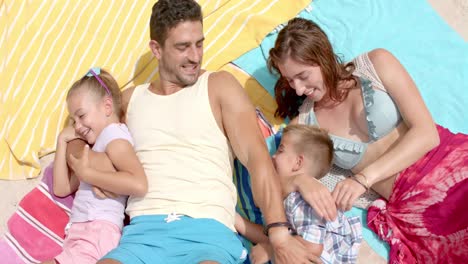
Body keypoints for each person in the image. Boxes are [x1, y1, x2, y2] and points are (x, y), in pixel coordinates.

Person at [66, 1, 332, 263]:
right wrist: (92, 172)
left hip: (209, 234)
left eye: (199, 43)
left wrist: (278, 234)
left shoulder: (218, 86)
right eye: (183, 47)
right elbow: (76, 134)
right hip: (144, 235)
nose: (195, 56)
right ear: (156, 49)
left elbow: (257, 159)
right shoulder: (129, 100)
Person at [268, 17, 468, 263]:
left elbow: (427, 134)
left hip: (451, 163)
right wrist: (300, 181)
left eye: (303, 76)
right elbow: (272, 183)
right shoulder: (305, 124)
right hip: (414, 204)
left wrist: (363, 179)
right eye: (290, 80)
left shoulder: (375, 65)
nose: (298, 89)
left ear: (322, 56)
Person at [43, 68, 148, 264]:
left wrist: (88, 174)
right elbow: (62, 188)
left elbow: (138, 184)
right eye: (74, 120)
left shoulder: (115, 137)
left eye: (81, 116)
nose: (77, 126)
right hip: (83, 230)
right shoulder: (98, 147)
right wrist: (61, 141)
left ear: (107, 107)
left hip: (97, 228)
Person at [236, 124, 362, 264]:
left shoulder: (300, 201)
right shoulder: (285, 199)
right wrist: (237, 221)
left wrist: (269, 250)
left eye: (280, 150)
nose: (273, 156)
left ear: (298, 162)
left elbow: (313, 247)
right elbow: (275, 235)